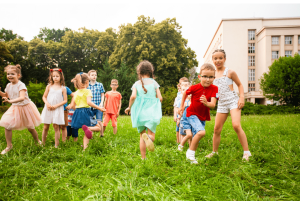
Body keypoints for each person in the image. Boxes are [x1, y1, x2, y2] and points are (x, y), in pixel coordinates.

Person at [205, 49, 252, 161]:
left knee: (236, 125)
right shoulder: (212, 75)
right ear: (212, 60)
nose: (218, 60)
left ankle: (247, 152)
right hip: (221, 103)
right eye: (215, 58)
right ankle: (214, 152)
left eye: (220, 58)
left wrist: (241, 97)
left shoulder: (230, 72)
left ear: (224, 59)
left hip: (233, 101)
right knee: (216, 129)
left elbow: (240, 85)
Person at [179, 63, 218, 164]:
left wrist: (206, 103)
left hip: (202, 117)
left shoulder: (215, 89)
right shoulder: (194, 87)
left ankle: (191, 157)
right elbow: (184, 93)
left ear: (214, 77)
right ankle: (190, 153)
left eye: (210, 77)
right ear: (199, 77)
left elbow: (213, 104)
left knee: (197, 137)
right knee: (201, 132)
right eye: (205, 76)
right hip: (191, 113)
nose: (208, 79)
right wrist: (181, 106)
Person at [0, 64, 42, 154]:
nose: (10, 76)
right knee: (7, 125)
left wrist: (10, 101)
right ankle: (9, 146)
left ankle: (37, 141)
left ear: (18, 75)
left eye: (12, 74)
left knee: (30, 128)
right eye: (8, 74)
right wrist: (0, 93)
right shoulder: (8, 85)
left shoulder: (21, 85)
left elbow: (22, 97)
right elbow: (6, 95)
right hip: (15, 107)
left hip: (25, 107)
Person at [125, 60, 162, 159]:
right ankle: (149, 138)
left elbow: (132, 97)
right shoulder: (154, 83)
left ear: (139, 72)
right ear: (151, 71)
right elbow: (160, 98)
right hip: (151, 112)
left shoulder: (136, 83)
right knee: (151, 135)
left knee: (142, 136)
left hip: (139, 113)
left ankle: (143, 158)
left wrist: (129, 107)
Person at [66, 73, 106, 150]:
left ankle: (85, 148)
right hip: (86, 112)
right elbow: (89, 102)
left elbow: (72, 105)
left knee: (86, 131)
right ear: (87, 82)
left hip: (77, 112)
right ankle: (88, 128)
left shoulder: (76, 93)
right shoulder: (88, 91)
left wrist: (70, 108)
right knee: (98, 128)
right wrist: (99, 108)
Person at [41, 68, 68, 148]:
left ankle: (56, 145)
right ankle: (43, 143)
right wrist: (47, 104)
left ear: (61, 77)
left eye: (57, 76)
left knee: (56, 127)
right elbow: (44, 97)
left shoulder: (63, 88)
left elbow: (65, 100)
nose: (55, 78)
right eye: (53, 76)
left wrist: (56, 106)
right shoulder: (49, 86)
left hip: (57, 109)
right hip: (48, 108)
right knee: (46, 127)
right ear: (51, 77)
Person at [87, 70, 105, 137]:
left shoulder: (100, 85)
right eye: (92, 75)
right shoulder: (87, 85)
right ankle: (91, 134)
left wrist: (101, 103)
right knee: (90, 122)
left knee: (99, 121)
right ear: (89, 76)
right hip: (89, 107)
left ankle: (101, 134)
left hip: (98, 106)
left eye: (95, 75)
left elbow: (102, 94)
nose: (94, 76)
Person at [173, 77, 189, 143]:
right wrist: (176, 116)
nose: (183, 86)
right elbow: (176, 106)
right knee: (178, 128)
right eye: (181, 84)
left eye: (185, 85)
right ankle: (178, 142)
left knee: (185, 129)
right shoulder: (179, 95)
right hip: (179, 114)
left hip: (185, 114)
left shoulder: (188, 95)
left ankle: (184, 142)